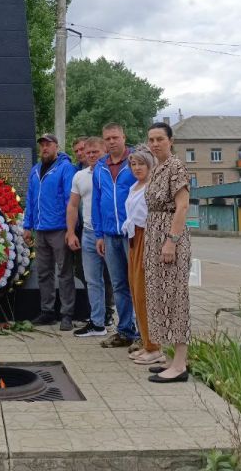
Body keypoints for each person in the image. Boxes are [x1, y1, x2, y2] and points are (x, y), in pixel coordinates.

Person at [144, 121, 193, 382]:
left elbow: (182, 206)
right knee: (159, 296)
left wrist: (171, 241)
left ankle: (180, 365)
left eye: (160, 139)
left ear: (170, 141)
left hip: (169, 238)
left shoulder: (176, 166)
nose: (154, 144)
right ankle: (170, 358)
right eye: (151, 139)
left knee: (175, 299)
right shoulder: (157, 168)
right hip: (154, 237)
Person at [92, 123, 140, 349]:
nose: (111, 142)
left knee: (137, 284)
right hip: (109, 236)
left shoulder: (136, 162)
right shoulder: (100, 167)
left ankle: (144, 334)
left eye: (115, 137)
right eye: (107, 139)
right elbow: (97, 202)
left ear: (124, 137)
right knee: (119, 285)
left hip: (132, 234)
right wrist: (99, 234)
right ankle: (125, 331)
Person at [23, 132, 77, 331]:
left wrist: (70, 229)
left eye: (48, 144)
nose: (44, 148)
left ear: (56, 146)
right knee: (44, 273)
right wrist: (27, 226)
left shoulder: (65, 169)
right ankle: (47, 312)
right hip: (40, 230)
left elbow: (70, 202)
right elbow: (30, 199)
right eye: (42, 145)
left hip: (59, 229)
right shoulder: (35, 170)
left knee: (64, 272)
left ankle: (67, 314)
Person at [121, 145, 165, 366]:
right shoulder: (135, 186)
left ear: (150, 165)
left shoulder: (153, 186)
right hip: (134, 239)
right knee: (136, 291)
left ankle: (155, 346)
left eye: (141, 164)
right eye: (133, 164)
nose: (136, 168)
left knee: (146, 293)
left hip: (148, 238)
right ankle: (148, 343)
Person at [66, 137, 106, 337]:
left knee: (120, 281)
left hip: (111, 232)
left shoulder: (111, 172)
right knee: (92, 280)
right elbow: (73, 205)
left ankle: (130, 326)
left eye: (95, 152)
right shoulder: (80, 176)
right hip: (89, 233)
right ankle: (98, 323)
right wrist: (71, 232)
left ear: (104, 150)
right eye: (87, 153)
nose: (90, 155)